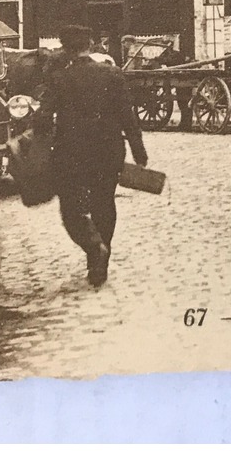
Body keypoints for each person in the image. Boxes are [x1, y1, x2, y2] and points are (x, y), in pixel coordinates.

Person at [38, 24, 148, 287]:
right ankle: (101, 260)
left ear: (65, 48)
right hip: (108, 151)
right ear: (89, 45)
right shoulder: (112, 74)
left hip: (71, 153)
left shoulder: (59, 78)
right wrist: (138, 150)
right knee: (104, 203)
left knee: (71, 210)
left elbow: (43, 118)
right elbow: (127, 116)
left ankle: (93, 247)